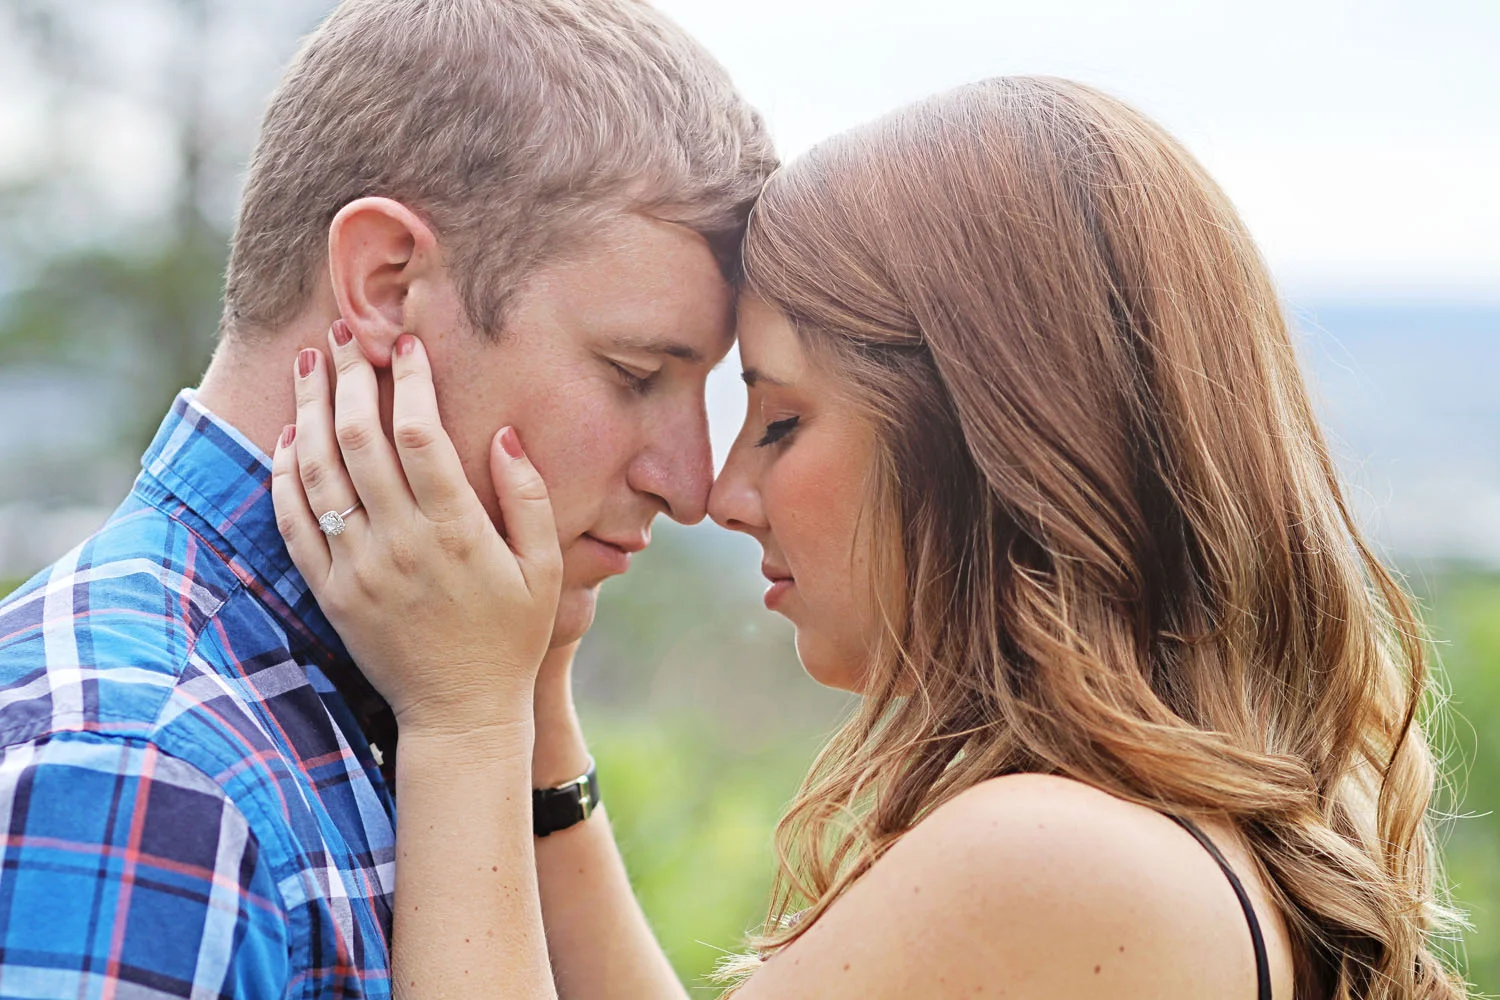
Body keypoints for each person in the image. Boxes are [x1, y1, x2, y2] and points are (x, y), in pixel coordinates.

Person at [275, 76, 1467, 999]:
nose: (721, 492)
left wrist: (460, 721)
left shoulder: (1049, 853)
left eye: (782, 418)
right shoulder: (1164, 838)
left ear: (984, 437)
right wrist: (535, 702)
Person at [0, 0, 774, 995]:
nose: (690, 483)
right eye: (633, 374)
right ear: (388, 285)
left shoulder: (388, 695)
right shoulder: (145, 776)